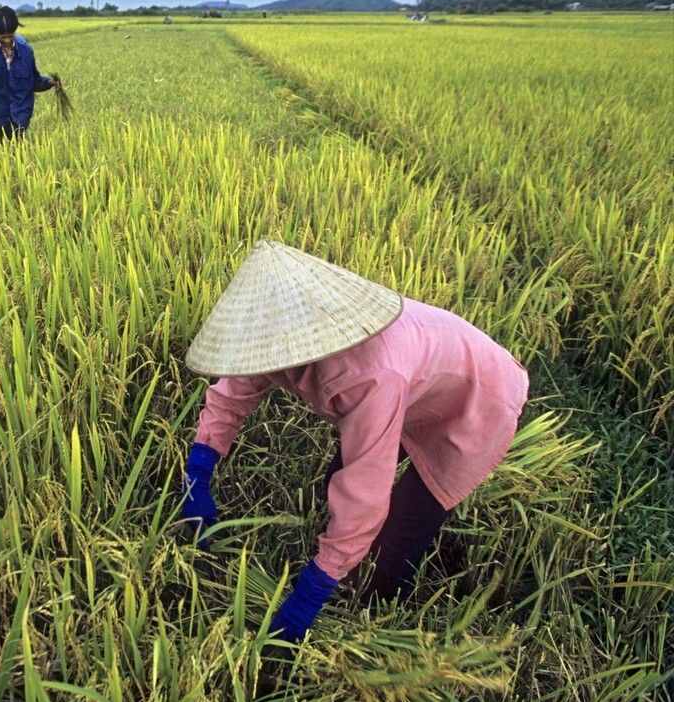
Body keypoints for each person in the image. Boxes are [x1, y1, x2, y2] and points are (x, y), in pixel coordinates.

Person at [180, 241, 529, 643]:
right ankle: (338, 560)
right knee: (337, 481)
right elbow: (232, 395)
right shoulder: (270, 335)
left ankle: (372, 619)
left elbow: (365, 491)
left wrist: (308, 596)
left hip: (478, 398)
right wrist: (199, 471)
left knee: (393, 546)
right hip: (419, 380)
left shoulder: (370, 376)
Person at [0, 6, 62, 143]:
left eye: (10, 36)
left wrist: (50, 82)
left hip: (21, 116)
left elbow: (34, 81)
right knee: (0, 157)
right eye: (3, 37)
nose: (7, 40)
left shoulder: (26, 52)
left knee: (19, 154)